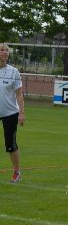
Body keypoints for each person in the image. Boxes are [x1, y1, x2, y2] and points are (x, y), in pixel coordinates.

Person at [0, 43, 25, 183]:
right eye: (2, 50)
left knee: (10, 144)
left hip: (10, 113)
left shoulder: (14, 72)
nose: (5, 52)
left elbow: (19, 94)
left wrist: (22, 113)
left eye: (6, 50)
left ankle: (17, 172)